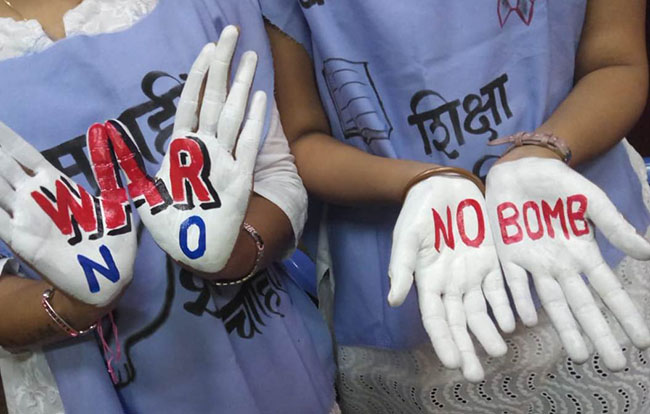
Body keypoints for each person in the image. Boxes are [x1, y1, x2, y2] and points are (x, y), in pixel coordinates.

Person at [262, 0, 650, 412]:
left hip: (584, 250)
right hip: (410, 297)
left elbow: (615, 63)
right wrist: (418, 180)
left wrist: (540, 151)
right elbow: (301, 137)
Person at [0, 1, 337, 413]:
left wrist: (232, 252)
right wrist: (77, 303)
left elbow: (275, 170)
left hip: (269, 359)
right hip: (80, 385)